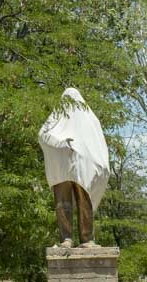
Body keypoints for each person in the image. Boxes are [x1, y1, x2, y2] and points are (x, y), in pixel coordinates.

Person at [38, 88, 111, 247]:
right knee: (63, 203)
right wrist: (61, 143)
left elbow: (98, 144)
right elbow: (42, 136)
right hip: (62, 166)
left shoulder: (89, 119)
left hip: (83, 167)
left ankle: (87, 238)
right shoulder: (56, 117)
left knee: (85, 201)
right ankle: (66, 238)